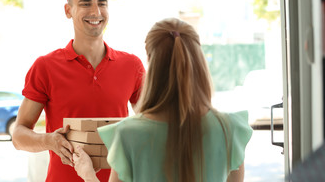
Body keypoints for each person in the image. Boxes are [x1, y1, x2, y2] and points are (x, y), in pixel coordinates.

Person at [72, 18, 253, 182]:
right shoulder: (230, 129)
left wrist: (87, 174)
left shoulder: (128, 135)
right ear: (198, 59)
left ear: (150, 61)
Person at [12, 0, 145, 182]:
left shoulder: (132, 66)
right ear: (68, 10)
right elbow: (18, 135)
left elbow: (152, 124)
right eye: (85, 3)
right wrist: (49, 141)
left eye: (102, 3)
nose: (96, 12)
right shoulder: (46, 66)